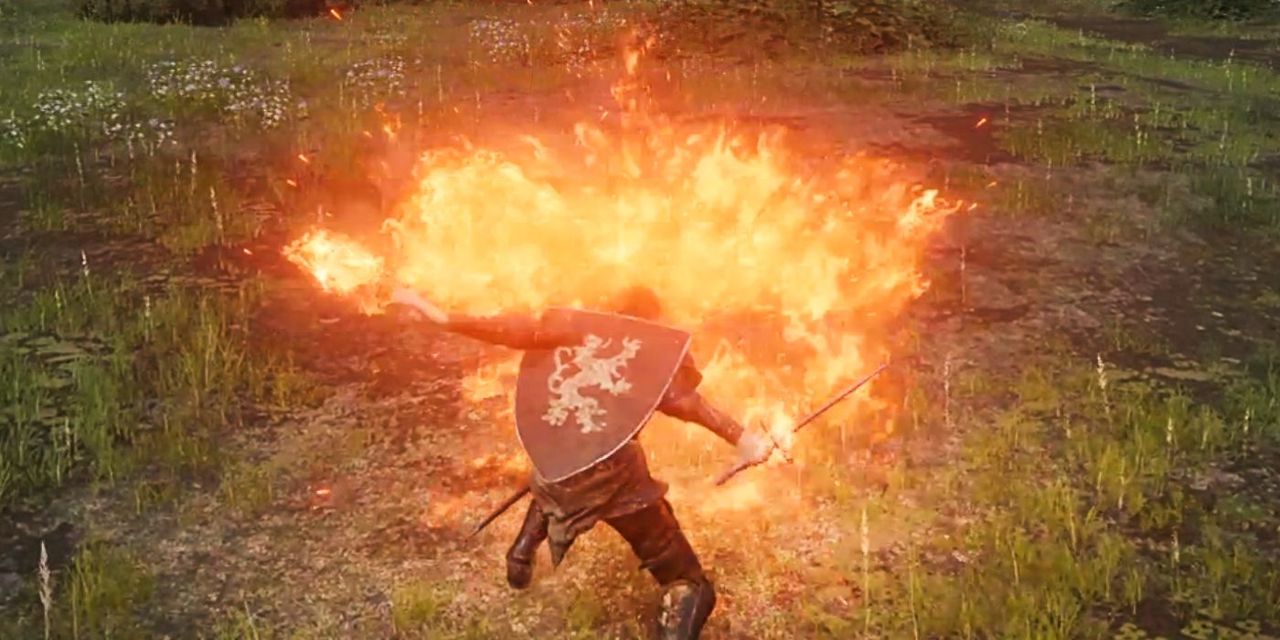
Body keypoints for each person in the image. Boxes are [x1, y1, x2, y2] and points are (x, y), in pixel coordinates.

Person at [390, 285, 774, 640]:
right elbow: (687, 403)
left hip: (555, 466)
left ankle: (523, 550)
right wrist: (745, 439)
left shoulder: (571, 331)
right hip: (613, 477)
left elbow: (510, 329)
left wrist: (443, 317)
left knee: (559, 475)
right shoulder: (643, 349)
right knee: (688, 580)